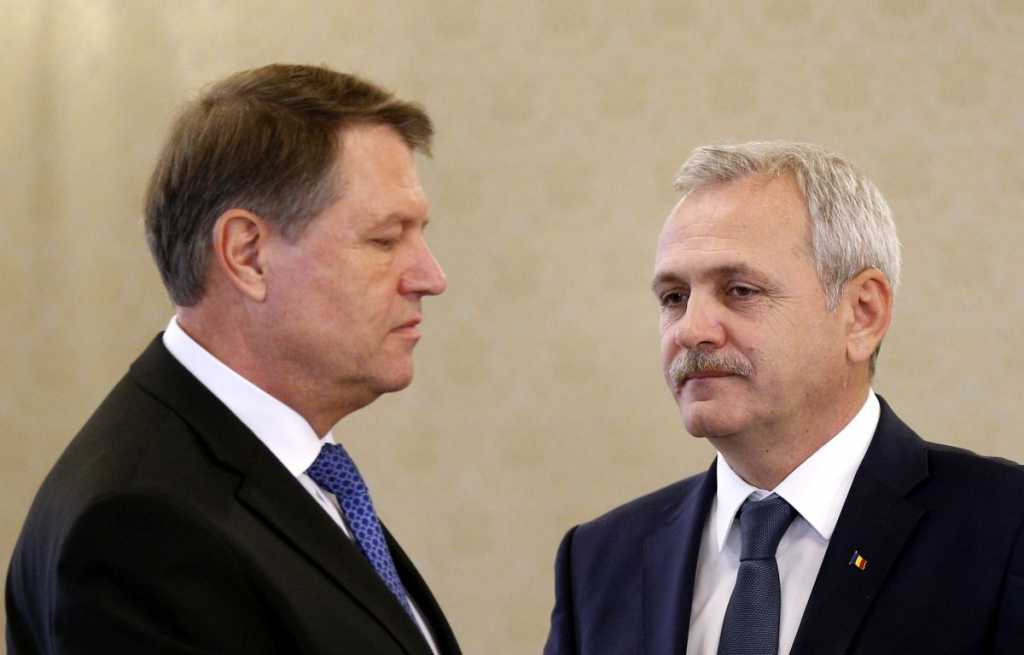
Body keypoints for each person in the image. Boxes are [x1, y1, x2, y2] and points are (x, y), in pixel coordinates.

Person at [6, 64, 460, 655]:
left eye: (419, 234)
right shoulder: (140, 526)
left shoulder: (282, 470)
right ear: (247, 255)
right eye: (385, 239)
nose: (430, 277)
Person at [543, 141, 1024, 655]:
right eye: (674, 298)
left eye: (740, 290)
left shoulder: (1005, 528)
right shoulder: (598, 560)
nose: (691, 330)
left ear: (862, 314)